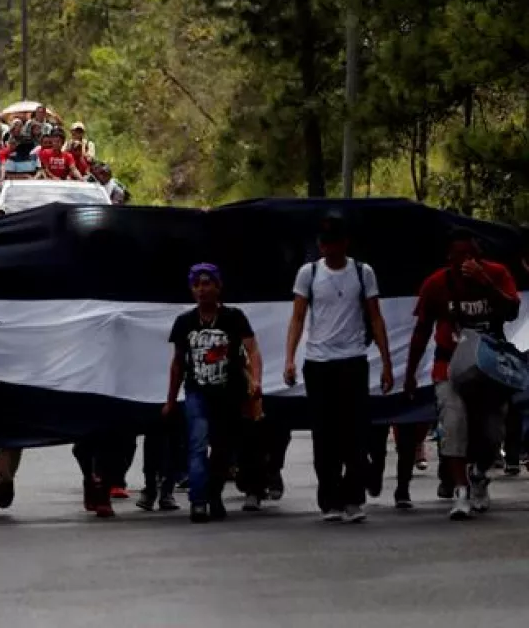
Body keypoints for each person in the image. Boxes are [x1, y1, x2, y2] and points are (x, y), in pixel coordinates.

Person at [405, 228, 520, 519]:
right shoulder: (436, 284)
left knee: (493, 432)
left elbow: (512, 311)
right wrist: (410, 373)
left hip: (489, 368)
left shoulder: (496, 274)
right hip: (449, 366)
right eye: (460, 255)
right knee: (454, 424)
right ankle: (460, 490)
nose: (467, 260)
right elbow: (421, 331)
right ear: (449, 257)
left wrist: (485, 284)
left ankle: (479, 473)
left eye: (472, 254)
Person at [284, 213, 392, 521]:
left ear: (345, 242)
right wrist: (290, 358)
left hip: (352, 360)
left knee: (354, 432)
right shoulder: (309, 273)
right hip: (319, 362)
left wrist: (386, 362)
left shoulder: (362, 272)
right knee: (324, 434)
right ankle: (330, 499)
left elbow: (375, 317)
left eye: (333, 242)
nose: (328, 248)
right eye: (323, 242)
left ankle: (353, 498)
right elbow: (297, 317)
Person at [164, 263, 264, 523]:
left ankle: (214, 493)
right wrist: (170, 399)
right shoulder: (184, 322)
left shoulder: (234, 317)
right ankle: (198, 501)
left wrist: (256, 381)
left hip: (229, 393)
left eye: (207, 283)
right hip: (196, 391)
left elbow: (252, 350)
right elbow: (177, 363)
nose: (202, 290)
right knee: (197, 444)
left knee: (222, 448)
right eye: (196, 285)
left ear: (218, 287)